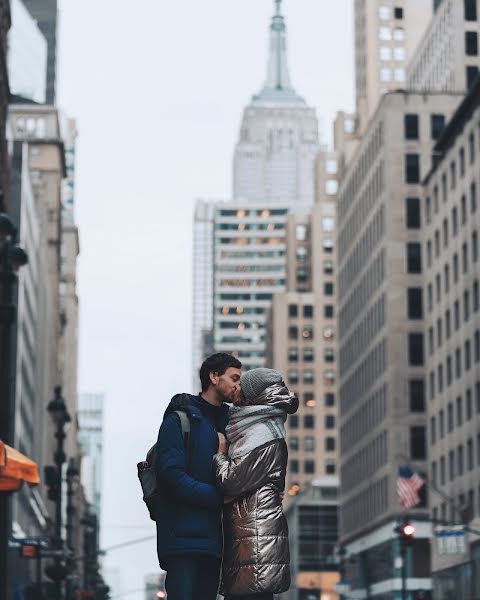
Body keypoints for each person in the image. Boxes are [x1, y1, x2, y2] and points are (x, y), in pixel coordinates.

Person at [154, 352, 242, 600]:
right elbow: (171, 477)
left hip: (217, 544)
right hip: (183, 542)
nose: (238, 384)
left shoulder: (232, 423)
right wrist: (217, 497)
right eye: (233, 377)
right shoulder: (179, 420)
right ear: (214, 377)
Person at [214, 368, 298, 600]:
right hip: (250, 538)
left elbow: (230, 481)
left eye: (242, 386)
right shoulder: (256, 427)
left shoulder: (263, 434)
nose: (236, 389)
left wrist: (219, 454)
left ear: (253, 395)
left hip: (256, 543)